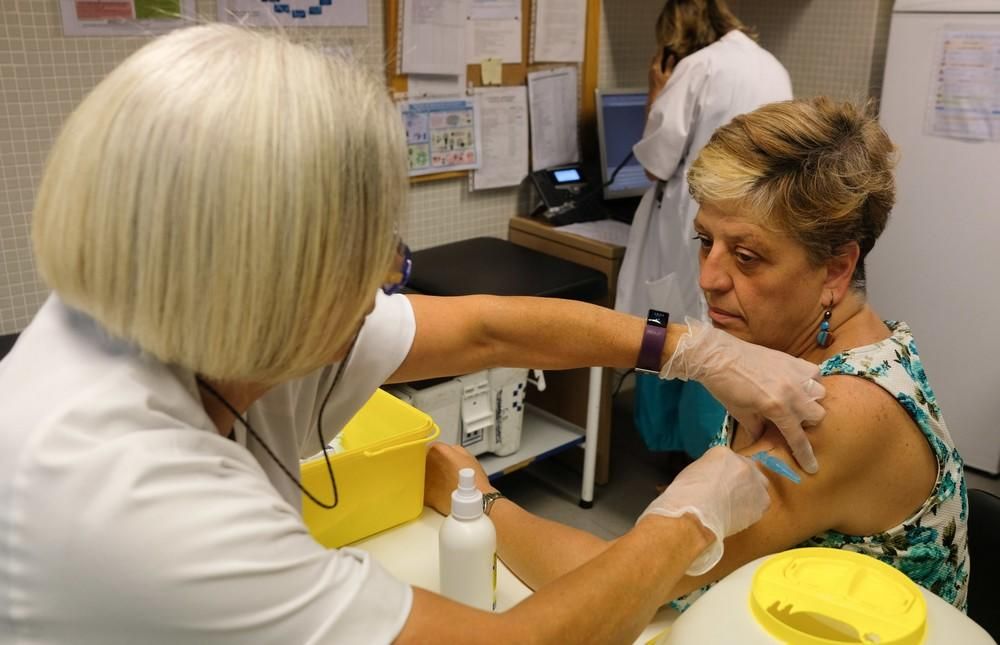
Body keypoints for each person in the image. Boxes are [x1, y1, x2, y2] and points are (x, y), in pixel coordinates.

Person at [0, 25, 828, 644]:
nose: (382, 287)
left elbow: (483, 327)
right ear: (276, 280)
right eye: (377, 261)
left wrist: (686, 348)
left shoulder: (171, 307)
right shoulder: (140, 501)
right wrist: (687, 518)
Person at [426, 97, 970, 614]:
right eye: (705, 241)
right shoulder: (808, 350)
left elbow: (617, 584)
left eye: (748, 256)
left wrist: (478, 501)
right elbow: (492, 330)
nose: (709, 279)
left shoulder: (834, 411)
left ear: (835, 269)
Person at [616, 0, 793, 461]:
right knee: (725, 336)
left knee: (666, 325)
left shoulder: (697, 68)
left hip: (692, 228)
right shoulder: (770, 66)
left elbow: (655, 163)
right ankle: (720, 455)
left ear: (674, 42)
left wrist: (658, 90)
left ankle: (676, 455)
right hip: (754, 229)